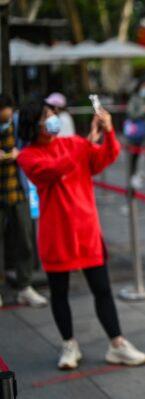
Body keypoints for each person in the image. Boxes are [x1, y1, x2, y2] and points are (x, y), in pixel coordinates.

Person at [17, 101, 145, 370]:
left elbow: (105, 156)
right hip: (56, 235)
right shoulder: (28, 156)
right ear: (33, 124)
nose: (53, 118)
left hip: (86, 230)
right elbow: (52, 171)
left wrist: (108, 132)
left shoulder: (74, 143)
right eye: (46, 116)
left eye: (52, 113)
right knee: (59, 292)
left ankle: (117, 344)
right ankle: (69, 344)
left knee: (102, 289)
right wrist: (86, 143)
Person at [0, 95, 47, 308]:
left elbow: (31, 144)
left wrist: (20, 153)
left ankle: (25, 286)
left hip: (18, 191)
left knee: (26, 239)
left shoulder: (19, 124)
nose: (5, 120)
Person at [125, 80, 145, 187]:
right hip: (137, 131)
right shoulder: (134, 99)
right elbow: (132, 114)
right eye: (144, 86)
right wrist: (144, 110)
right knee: (135, 155)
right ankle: (134, 175)